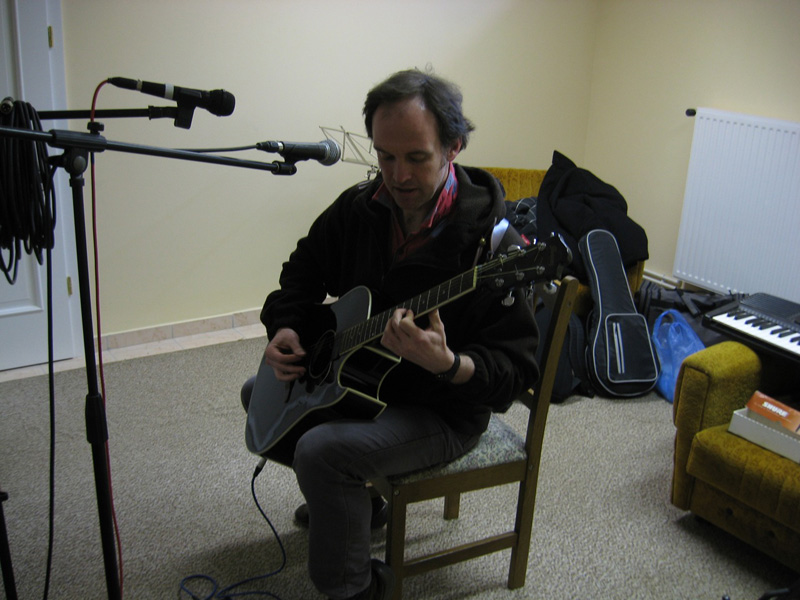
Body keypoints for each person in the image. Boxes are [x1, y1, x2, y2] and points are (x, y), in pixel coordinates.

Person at [242, 68, 539, 600]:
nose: (397, 176)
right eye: (385, 156)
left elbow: (514, 373)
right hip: (365, 385)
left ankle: (358, 588)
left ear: (453, 147)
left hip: (442, 410)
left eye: (416, 158)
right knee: (259, 398)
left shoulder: (495, 248)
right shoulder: (361, 206)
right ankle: (358, 501)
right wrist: (286, 325)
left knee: (320, 452)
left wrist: (448, 365)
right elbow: (303, 269)